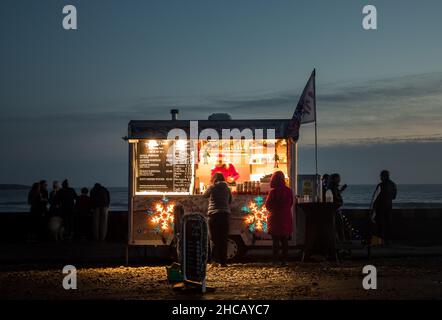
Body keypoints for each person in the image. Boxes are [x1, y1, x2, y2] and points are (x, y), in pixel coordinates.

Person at [265, 171, 294, 266]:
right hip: (286, 217)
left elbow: (268, 205)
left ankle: (275, 261)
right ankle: (284, 261)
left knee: (275, 241)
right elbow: (291, 203)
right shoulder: (289, 190)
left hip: (275, 218)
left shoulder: (273, 191)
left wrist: (274, 209)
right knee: (284, 240)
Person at [204, 172, 232, 267]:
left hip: (214, 216)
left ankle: (214, 261)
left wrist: (210, 186)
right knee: (223, 239)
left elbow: (204, 195)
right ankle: (223, 262)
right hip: (224, 215)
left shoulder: (212, 187)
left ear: (214, 179)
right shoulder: (227, 188)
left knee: (214, 239)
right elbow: (230, 200)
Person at [370, 170, 397, 245]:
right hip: (389, 206)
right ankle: (388, 241)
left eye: (381, 176)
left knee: (379, 224)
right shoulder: (393, 184)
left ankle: (379, 242)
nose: (380, 177)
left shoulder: (380, 185)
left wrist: (372, 208)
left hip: (379, 207)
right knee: (389, 223)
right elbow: (394, 197)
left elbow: (375, 197)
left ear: (383, 176)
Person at [328, 173, 348, 241]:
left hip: (334, 209)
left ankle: (339, 241)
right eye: (338, 178)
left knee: (337, 226)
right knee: (339, 226)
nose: (340, 179)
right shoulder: (333, 187)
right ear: (335, 179)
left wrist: (341, 190)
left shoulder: (332, 186)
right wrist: (340, 201)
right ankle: (341, 241)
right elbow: (335, 196)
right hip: (335, 209)